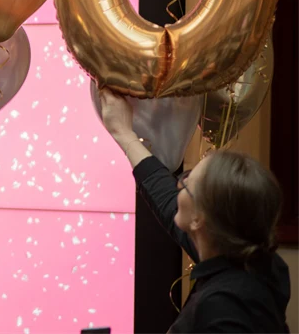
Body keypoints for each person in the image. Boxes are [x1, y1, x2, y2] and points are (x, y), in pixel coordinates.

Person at [97, 88, 290, 334]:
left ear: (200, 219)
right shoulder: (257, 263)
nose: (178, 184)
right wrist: (125, 135)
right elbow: (166, 198)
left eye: (187, 184)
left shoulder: (224, 307)